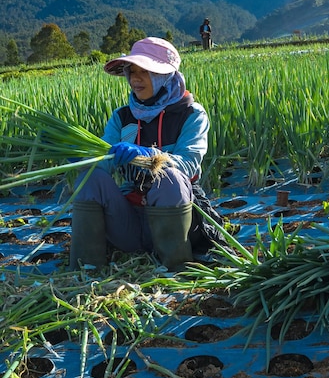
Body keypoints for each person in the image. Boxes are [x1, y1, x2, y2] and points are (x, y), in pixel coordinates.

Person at [69, 36, 224, 272]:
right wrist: (83, 159)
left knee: (170, 177)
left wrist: (149, 156)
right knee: (90, 179)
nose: (135, 79)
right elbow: (104, 163)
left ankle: (176, 267)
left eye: (145, 71)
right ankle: (86, 268)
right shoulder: (122, 117)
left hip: (175, 223)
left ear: (164, 76)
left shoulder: (191, 114)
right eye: (132, 71)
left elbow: (189, 164)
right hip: (129, 222)